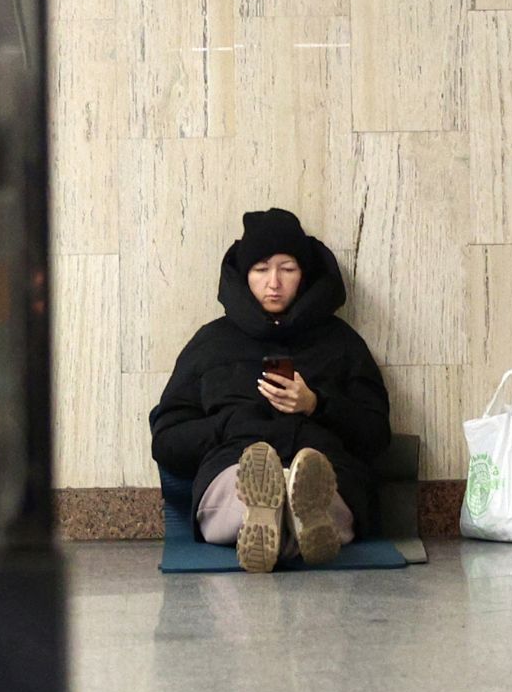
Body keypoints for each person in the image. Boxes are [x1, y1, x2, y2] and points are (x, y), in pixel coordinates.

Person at [148, 208, 392, 573]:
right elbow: (167, 441)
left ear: (304, 275)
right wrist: (227, 425)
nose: (273, 282)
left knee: (316, 483)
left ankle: (280, 519)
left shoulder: (340, 342)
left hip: (323, 465)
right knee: (245, 484)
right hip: (235, 464)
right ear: (245, 275)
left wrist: (317, 405)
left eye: (287, 269)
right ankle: (289, 521)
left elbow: (376, 434)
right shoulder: (211, 344)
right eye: (261, 269)